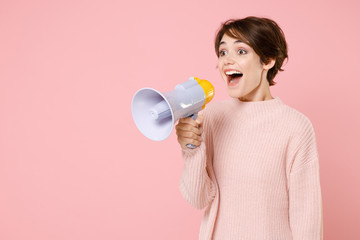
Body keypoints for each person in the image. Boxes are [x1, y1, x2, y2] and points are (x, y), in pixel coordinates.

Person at [176, 16, 323, 240]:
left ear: (268, 60)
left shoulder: (296, 127)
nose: (227, 61)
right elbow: (198, 199)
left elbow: (307, 217)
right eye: (223, 52)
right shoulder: (213, 117)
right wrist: (192, 149)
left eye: (241, 51)